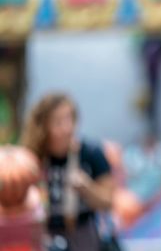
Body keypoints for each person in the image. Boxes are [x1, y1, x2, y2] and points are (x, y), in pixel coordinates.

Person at [21, 93, 114, 251]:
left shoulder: (90, 153)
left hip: (83, 234)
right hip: (45, 234)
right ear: (43, 126)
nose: (67, 128)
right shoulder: (32, 158)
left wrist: (87, 188)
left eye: (70, 120)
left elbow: (109, 201)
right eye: (58, 122)